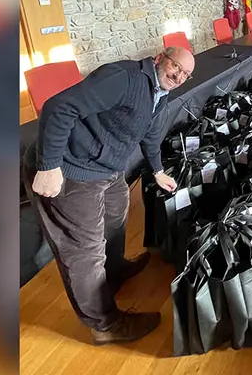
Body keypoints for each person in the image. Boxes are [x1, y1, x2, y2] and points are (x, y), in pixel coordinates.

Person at [30, 46, 195, 345]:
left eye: (186, 74)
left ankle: (114, 270)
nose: (179, 76)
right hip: (71, 168)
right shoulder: (123, 78)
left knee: (117, 215)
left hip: (107, 168)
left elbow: (150, 135)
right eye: (175, 66)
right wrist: (49, 164)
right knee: (84, 251)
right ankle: (104, 325)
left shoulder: (160, 92)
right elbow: (58, 106)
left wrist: (157, 170)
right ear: (159, 58)